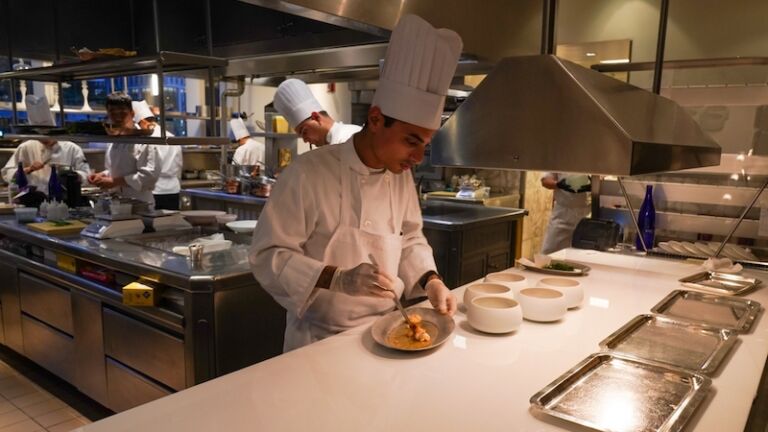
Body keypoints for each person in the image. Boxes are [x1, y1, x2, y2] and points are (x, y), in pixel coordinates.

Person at [250, 14, 462, 352]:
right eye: (411, 141)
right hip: (318, 342)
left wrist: (431, 279)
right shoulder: (307, 174)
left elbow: (409, 239)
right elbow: (267, 255)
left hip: (389, 329)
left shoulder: (399, 175)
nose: (419, 157)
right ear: (376, 119)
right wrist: (337, 277)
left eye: (425, 143)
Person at [88, 92, 160, 205]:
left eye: (122, 110)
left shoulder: (144, 141)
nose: (117, 115)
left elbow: (148, 176)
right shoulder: (114, 140)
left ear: (132, 113)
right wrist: (103, 175)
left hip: (140, 204)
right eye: (112, 111)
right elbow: (117, 169)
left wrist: (113, 181)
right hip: (117, 203)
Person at [273, 78, 361, 147]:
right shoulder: (328, 148)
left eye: (304, 132)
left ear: (315, 117)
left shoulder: (350, 138)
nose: (305, 141)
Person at [133, 100, 183, 210]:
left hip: (155, 191)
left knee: (155, 223)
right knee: (171, 223)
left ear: (142, 121)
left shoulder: (148, 140)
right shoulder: (171, 136)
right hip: (173, 189)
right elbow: (179, 166)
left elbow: (146, 170)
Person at [2, 138, 91, 196]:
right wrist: (28, 169)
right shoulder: (26, 147)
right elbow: (7, 174)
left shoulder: (72, 149)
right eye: (40, 136)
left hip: (64, 200)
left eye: (48, 135)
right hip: (31, 200)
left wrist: (69, 173)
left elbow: (86, 175)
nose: (44, 139)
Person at [540, 173, 592, 255]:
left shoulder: (593, 161)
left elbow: (603, 176)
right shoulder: (559, 160)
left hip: (587, 213)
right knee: (550, 251)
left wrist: (594, 185)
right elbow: (545, 181)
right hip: (562, 213)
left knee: (583, 253)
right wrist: (559, 184)